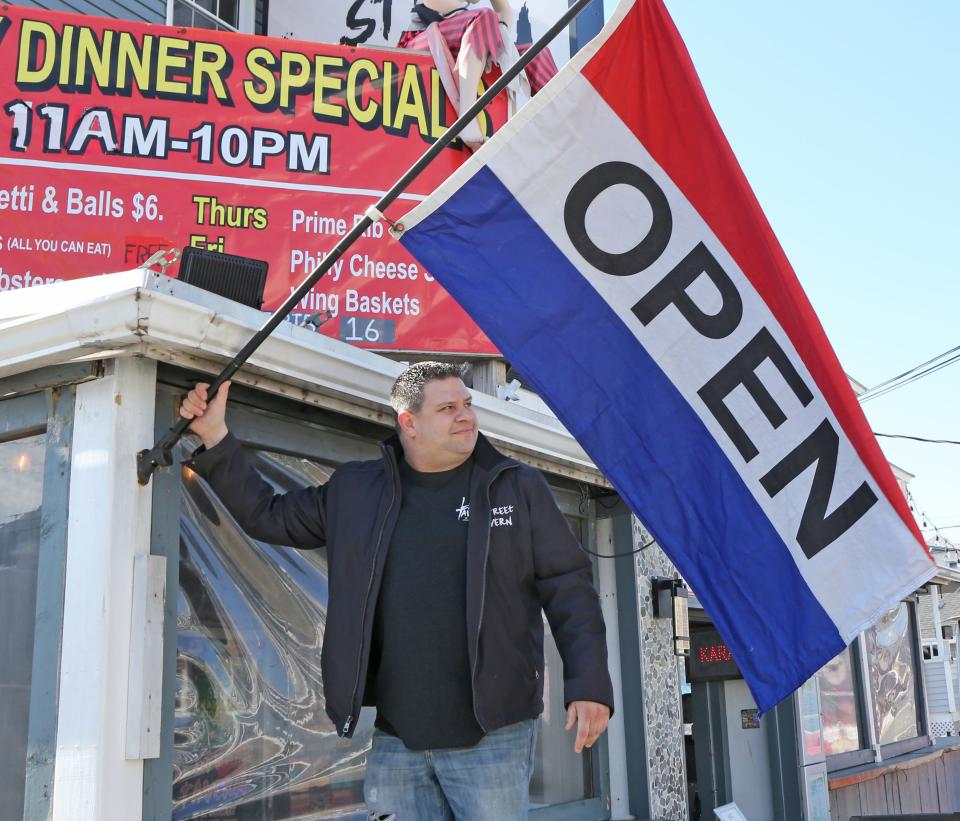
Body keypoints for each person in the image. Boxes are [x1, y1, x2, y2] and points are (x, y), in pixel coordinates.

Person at [180, 361, 613, 820]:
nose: (465, 415)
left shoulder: (516, 487)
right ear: (409, 422)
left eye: (466, 404)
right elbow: (268, 515)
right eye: (447, 408)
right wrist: (215, 436)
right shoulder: (356, 489)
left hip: (493, 735)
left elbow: (569, 587)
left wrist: (589, 685)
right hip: (397, 739)